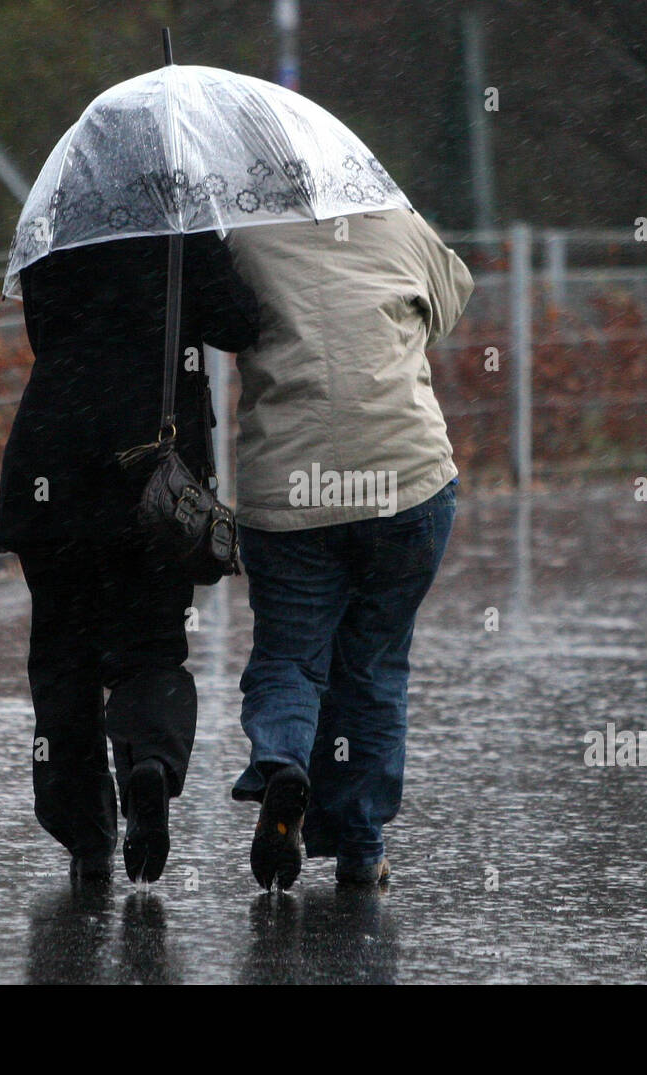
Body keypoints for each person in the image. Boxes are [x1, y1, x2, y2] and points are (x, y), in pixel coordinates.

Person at [0, 233, 258, 885]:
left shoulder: (58, 223)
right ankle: (149, 763)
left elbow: (44, 328)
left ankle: (85, 835)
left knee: (62, 653)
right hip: (149, 474)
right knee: (149, 644)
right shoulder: (182, 232)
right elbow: (240, 322)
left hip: (49, 463)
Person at [225, 208, 473, 889]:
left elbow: (214, 324)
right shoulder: (391, 215)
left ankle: (281, 764)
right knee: (373, 666)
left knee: (289, 655)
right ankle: (361, 849)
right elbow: (451, 298)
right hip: (406, 480)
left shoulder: (239, 237)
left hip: (292, 487)